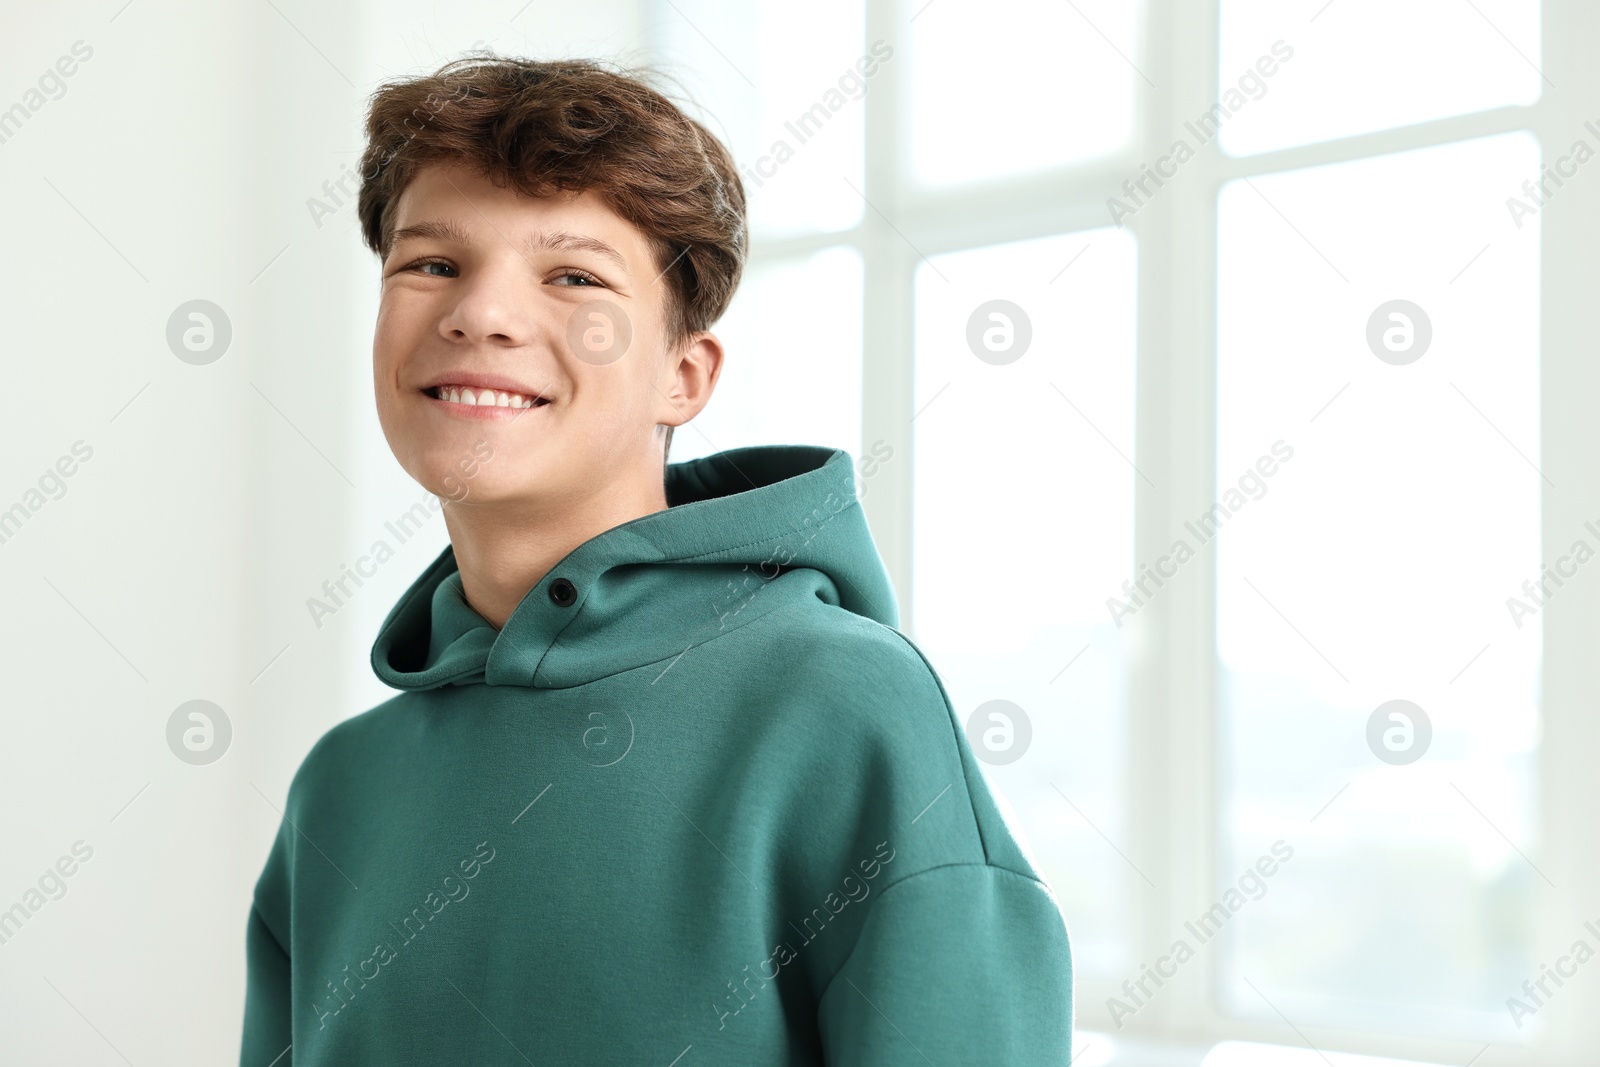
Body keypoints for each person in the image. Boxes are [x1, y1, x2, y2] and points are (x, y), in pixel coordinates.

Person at [239, 51, 1072, 1065]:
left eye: (574, 277)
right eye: (432, 263)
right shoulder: (342, 786)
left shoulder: (844, 709)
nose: (480, 314)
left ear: (684, 374)